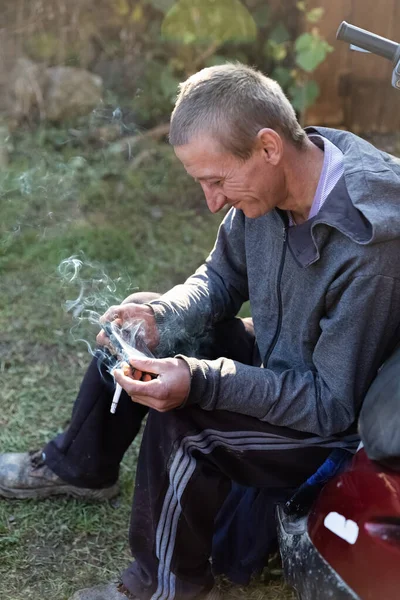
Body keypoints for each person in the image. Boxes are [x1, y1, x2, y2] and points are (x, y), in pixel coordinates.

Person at [2, 62, 400, 600]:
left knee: (188, 424)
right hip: (286, 360)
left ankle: (165, 588)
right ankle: (80, 465)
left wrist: (202, 380)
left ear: (267, 146)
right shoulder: (280, 178)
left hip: (331, 421)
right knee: (139, 329)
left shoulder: (368, 243)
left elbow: (330, 402)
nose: (213, 202)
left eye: (217, 181)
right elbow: (218, 278)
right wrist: (161, 317)